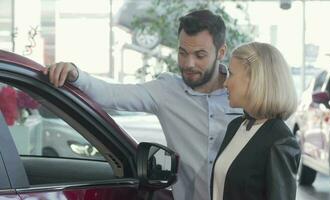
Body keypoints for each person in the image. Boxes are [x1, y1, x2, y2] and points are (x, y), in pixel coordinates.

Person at [44, 10, 242, 200]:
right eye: (182, 53)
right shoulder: (166, 91)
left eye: (199, 55)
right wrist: (75, 74)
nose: (188, 64)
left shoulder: (243, 95)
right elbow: (111, 95)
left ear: (221, 52)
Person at [211, 42, 301, 200]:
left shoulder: (279, 140)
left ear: (254, 79)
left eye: (231, 74)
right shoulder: (235, 126)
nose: (225, 83)